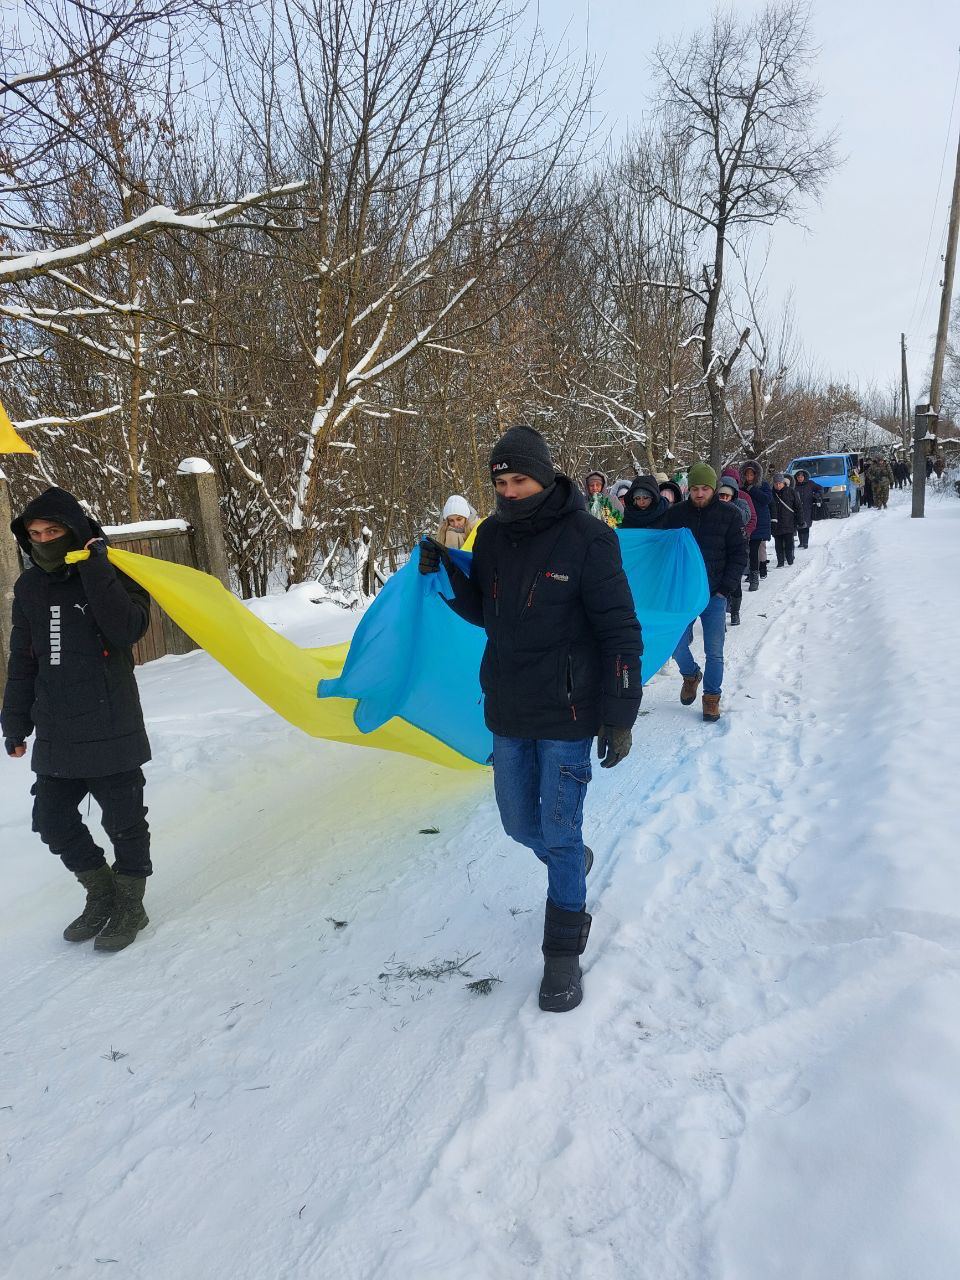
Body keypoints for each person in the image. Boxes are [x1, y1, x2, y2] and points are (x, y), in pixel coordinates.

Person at [419, 425, 642, 1013]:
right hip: (509, 708)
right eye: (501, 481)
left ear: (545, 476)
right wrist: (443, 570)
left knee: (562, 833)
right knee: (520, 824)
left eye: (520, 479)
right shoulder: (491, 536)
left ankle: (563, 949)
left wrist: (620, 714)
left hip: (568, 714)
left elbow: (621, 630)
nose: (511, 490)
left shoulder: (591, 539)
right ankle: (571, 860)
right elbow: (484, 611)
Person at [2, 487, 153, 952]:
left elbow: (128, 629)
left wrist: (94, 568)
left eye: (53, 530)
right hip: (57, 727)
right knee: (50, 818)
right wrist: (14, 721)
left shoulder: (117, 572)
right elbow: (23, 659)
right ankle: (101, 892)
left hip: (111, 720)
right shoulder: (29, 587)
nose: (44, 539)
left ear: (75, 529)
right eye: (35, 533)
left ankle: (132, 903)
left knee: (124, 821)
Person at [661, 462, 748, 722]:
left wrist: (725, 589)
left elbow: (739, 554)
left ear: (714, 488)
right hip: (684, 595)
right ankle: (690, 674)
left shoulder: (730, 514)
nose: (700, 494)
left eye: (705, 489)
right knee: (675, 645)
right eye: (695, 488)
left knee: (715, 651)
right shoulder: (675, 514)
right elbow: (663, 550)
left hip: (714, 595)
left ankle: (711, 698)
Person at [716, 476, 750, 625]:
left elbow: (746, 517)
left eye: (726, 495)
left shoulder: (740, 503)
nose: (723, 498)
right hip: (717, 551)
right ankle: (720, 618)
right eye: (721, 495)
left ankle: (735, 612)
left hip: (735, 548)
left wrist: (730, 506)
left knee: (734, 584)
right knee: (718, 588)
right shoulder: (713, 506)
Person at [740, 461, 771, 591]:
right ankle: (748, 572)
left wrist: (752, 490)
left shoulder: (763, 485)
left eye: (751, 475)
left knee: (754, 551)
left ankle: (754, 577)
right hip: (745, 522)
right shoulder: (740, 487)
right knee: (745, 551)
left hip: (759, 523)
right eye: (746, 474)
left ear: (756, 475)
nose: (749, 477)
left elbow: (767, 500)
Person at [770, 473, 803, 565]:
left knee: (789, 542)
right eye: (776, 483)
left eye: (780, 483)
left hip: (789, 522)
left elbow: (798, 507)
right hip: (776, 523)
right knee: (778, 544)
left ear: (783, 483)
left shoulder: (791, 492)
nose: (778, 485)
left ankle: (790, 559)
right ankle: (780, 561)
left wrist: (800, 520)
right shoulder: (771, 493)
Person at [792, 467, 822, 549]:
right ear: (796, 478)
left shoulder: (810, 483)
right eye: (798, 477)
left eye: (801, 477)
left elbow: (820, 488)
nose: (800, 479)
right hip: (797, 508)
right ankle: (801, 542)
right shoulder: (794, 485)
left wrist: (817, 495)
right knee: (799, 525)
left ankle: (805, 543)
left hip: (807, 507)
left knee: (806, 525)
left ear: (804, 477)